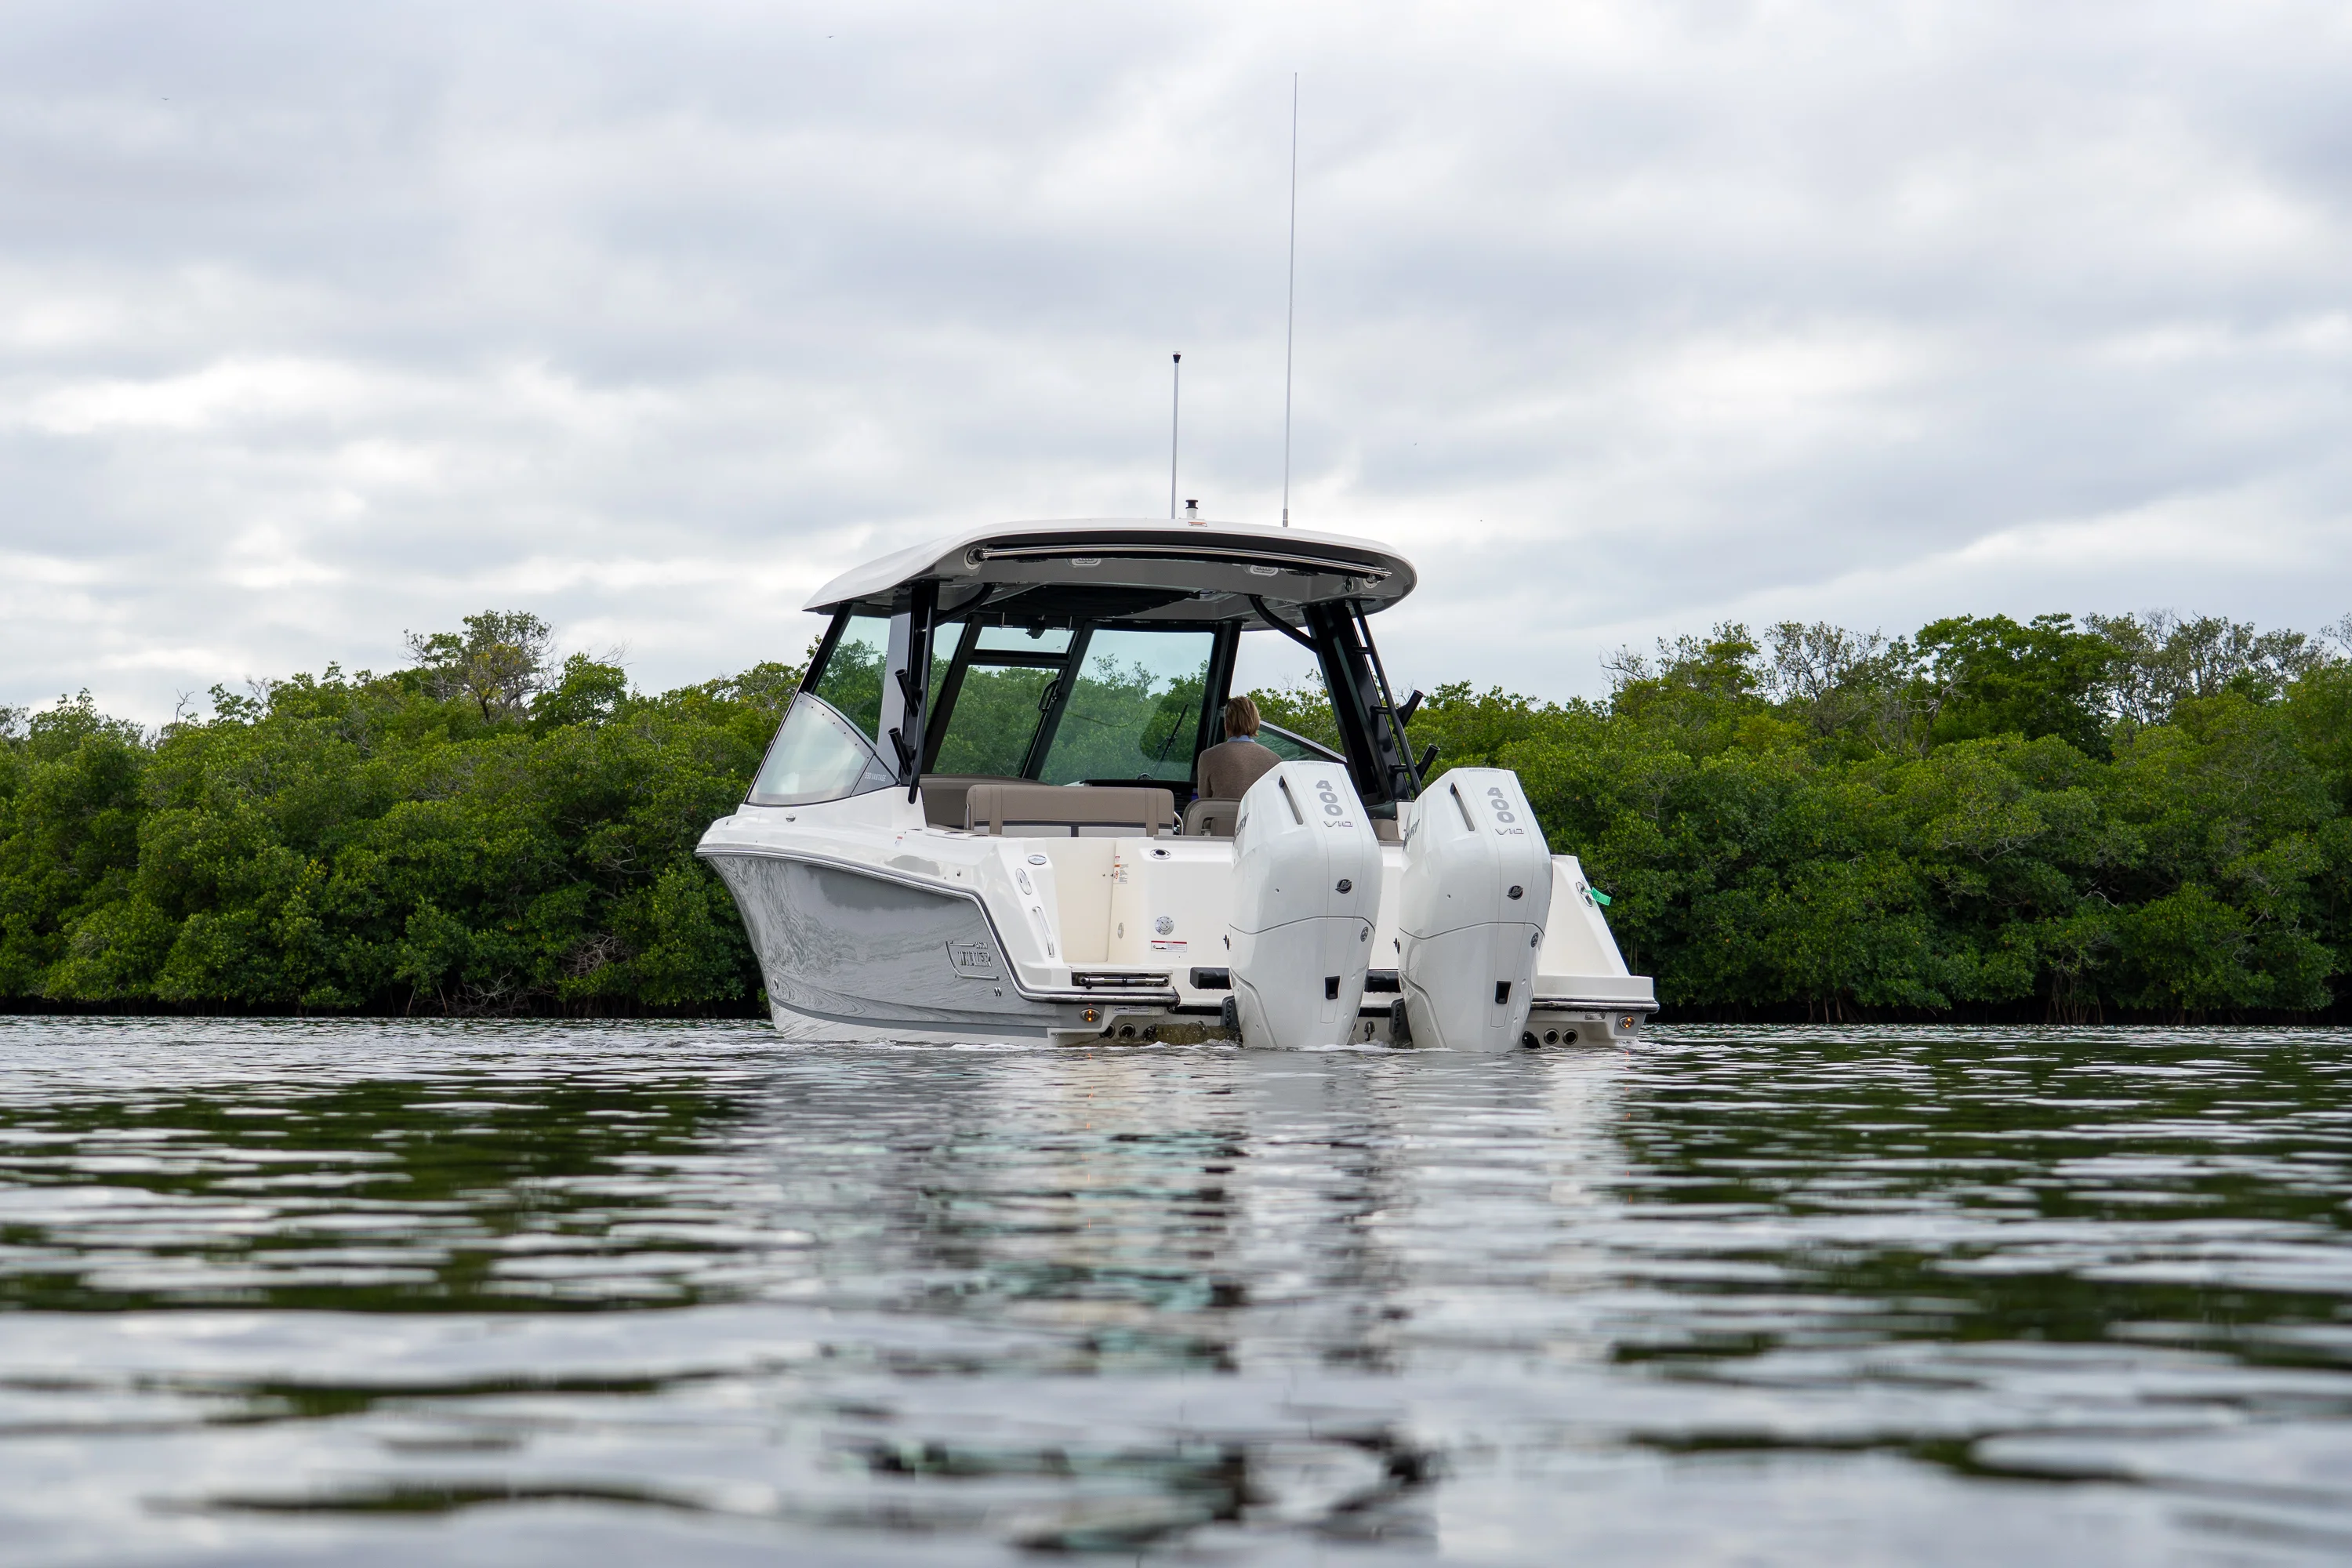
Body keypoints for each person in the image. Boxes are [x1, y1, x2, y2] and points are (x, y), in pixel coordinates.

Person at [1194, 695, 1281, 801]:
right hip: (1257, 818)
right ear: (1256, 723)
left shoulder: (1208, 757)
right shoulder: (1276, 761)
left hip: (1222, 818)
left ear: (1226, 725)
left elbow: (1204, 800)